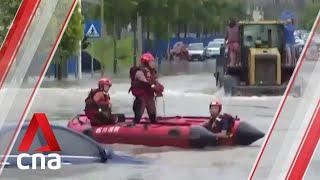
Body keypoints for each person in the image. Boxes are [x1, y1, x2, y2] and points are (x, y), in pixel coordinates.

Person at [129, 52, 164, 125]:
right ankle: (135, 123)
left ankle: (153, 124)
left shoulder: (152, 72)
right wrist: (155, 86)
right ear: (146, 62)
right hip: (141, 97)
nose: (153, 63)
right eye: (151, 61)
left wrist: (159, 87)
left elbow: (155, 82)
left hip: (149, 96)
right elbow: (146, 82)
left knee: (153, 114)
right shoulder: (139, 72)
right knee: (138, 114)